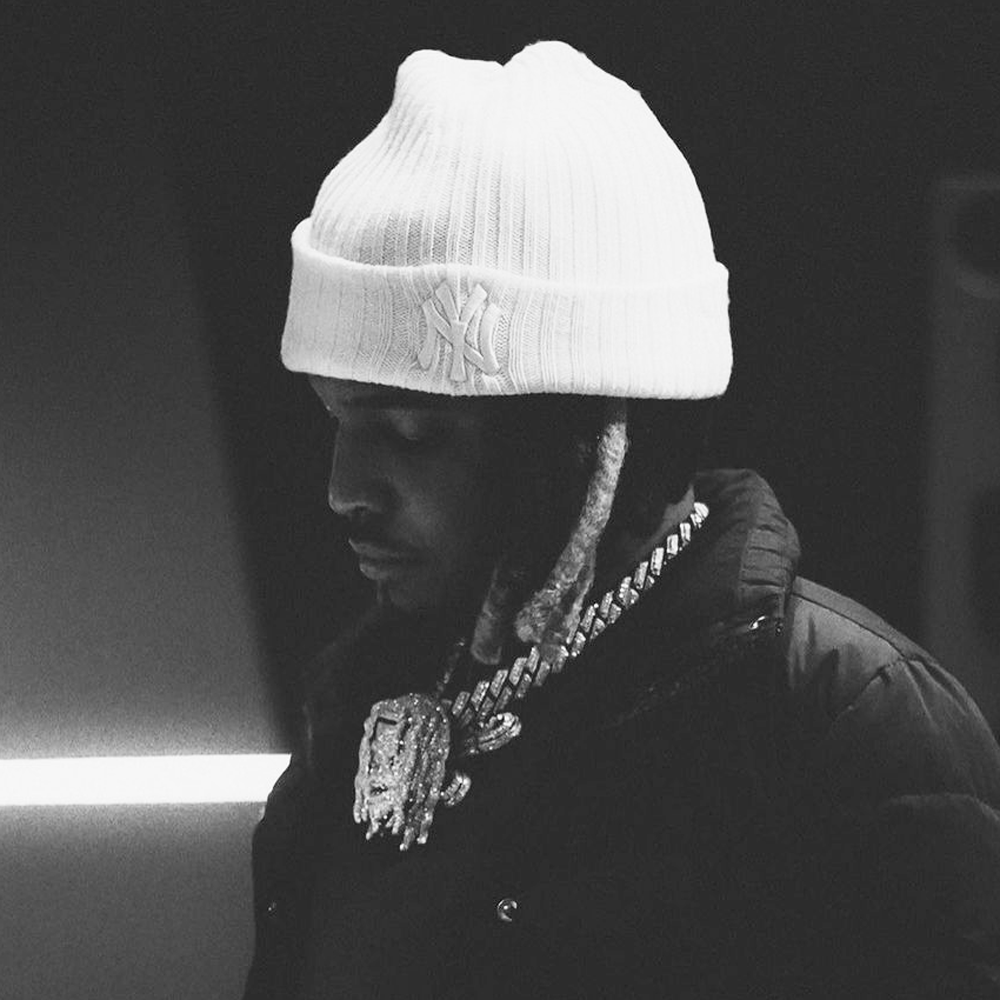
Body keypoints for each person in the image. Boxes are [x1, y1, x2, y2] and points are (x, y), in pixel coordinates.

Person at [243, 41, 1000, 999]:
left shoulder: (847, 718)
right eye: (338, 419)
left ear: (590, 441)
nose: (343, 488)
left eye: (411, 431)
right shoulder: (360, 699)